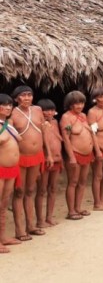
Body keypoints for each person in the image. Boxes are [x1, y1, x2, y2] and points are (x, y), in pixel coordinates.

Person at [10, 86, 51, 240]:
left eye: (29, 95)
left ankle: (31, 225)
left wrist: (49, 154)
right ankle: (20, 230)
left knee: (30, 190)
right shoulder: (12, 114)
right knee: (19, 192)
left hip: (37, 155)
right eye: (23, 95)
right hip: (20, 157)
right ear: (16, 99)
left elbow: (44, 132)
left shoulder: (38, 110)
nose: (27, 98)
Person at [61, 91, 102, 220]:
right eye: (76, 103)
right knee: (73, 182)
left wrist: (96, 150)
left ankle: (78, 207)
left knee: (82, 182)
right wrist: (71, 157)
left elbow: (91, 134)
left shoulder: (84, 116)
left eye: (82, 103)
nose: (79, 106)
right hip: (75, 153)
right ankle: (71, 211)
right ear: (70, 104)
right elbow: (66, 138)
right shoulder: (66, 118)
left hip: (87, 153)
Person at [35, 99, 63, 227]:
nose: (49, 113)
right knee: (41, 190)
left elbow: (58, 139)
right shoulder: (39, 124)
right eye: (46, 110)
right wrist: (49, 156)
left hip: (57, 159)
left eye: (52, 110)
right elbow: (44, 143)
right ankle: (40, 220)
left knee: (53, 188)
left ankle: (49, 217)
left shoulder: (56, 122)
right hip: (46, 160)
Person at [0, 94, 22, 253]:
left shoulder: (9, 124)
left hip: (12, 168)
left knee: (4, 203)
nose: (8, 108)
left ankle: (3, 236)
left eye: (9, 105)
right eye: (4, 105)